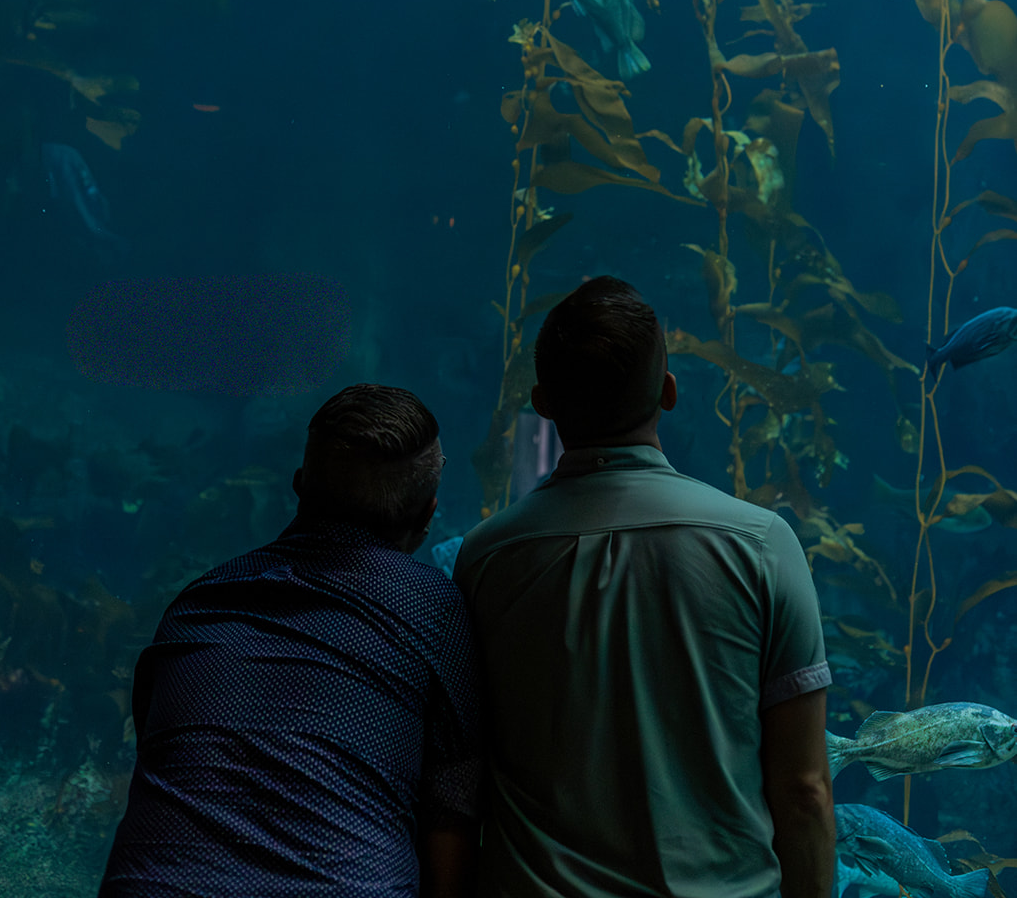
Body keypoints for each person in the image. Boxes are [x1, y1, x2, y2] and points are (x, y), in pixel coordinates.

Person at [454, 277, 835, 898]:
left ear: (542, 403)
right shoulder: (762, 545)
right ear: (669, 392)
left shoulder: (485, 558)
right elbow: (804, 790)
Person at [100, 383, 483, 898]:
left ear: (299, 484)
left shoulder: (196, 605)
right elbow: (452, 812)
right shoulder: (434, 608)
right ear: (428, 514)